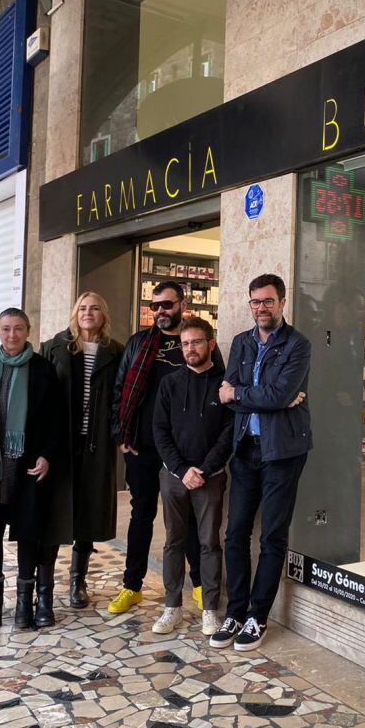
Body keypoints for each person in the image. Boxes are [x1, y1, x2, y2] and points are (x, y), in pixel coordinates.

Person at [213, 273, 312, 651]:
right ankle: (235, 611)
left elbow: (277, 393)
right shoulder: (240, 342)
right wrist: (262, 397)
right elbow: (230, 394)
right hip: (246, 449)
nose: (261, 308)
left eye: (268, 301)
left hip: (283, 452)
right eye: (255, 301)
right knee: (235, 533)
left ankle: (258, 617)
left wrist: (247, 394)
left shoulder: (297, 345)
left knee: (271, 536)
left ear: (282, 303)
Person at [108, 281, 215, 615]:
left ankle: (198, 585)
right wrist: (121, 436)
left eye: (167, 305)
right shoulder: (139, 343)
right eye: (154, 306)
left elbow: (216, 387)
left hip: (184, 454)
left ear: (183, 304)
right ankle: (132, 586)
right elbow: (120, 390)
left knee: (191, 522)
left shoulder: (199, 343)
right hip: (142, 447)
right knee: (141, 516)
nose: (160, 312)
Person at [0, 309, 70, 629]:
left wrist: (47, 456)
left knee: (28, 532)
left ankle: (23, 604)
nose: (11, 335)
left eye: (18, 329)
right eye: (5, 329)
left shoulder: (43, 369)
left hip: (28, 467)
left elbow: (58, 420)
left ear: (28, 331)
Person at [41, 292, 123, 609]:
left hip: (97, 443)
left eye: (95, 309)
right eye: (83, 308)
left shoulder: (115, 351)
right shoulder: (55, 347)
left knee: (88, 510)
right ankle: (43, 582)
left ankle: (78, 580)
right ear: (75, 314)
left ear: (104, 315)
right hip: (60, 443)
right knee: (55, 511)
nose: (88, 313)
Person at [151, 318, 234, 636]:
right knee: (173, 542)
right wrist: (182, 470)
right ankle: (171, 606)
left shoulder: (225, 384)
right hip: (174, 476)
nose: (190, 348)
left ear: (210, 344)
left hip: (210, 477)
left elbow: (229, 433)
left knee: (210, 544)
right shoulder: (170, 383)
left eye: (196, 342)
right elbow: (160, 431)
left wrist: (205, 469)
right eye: (185, 343)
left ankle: (210, 610)